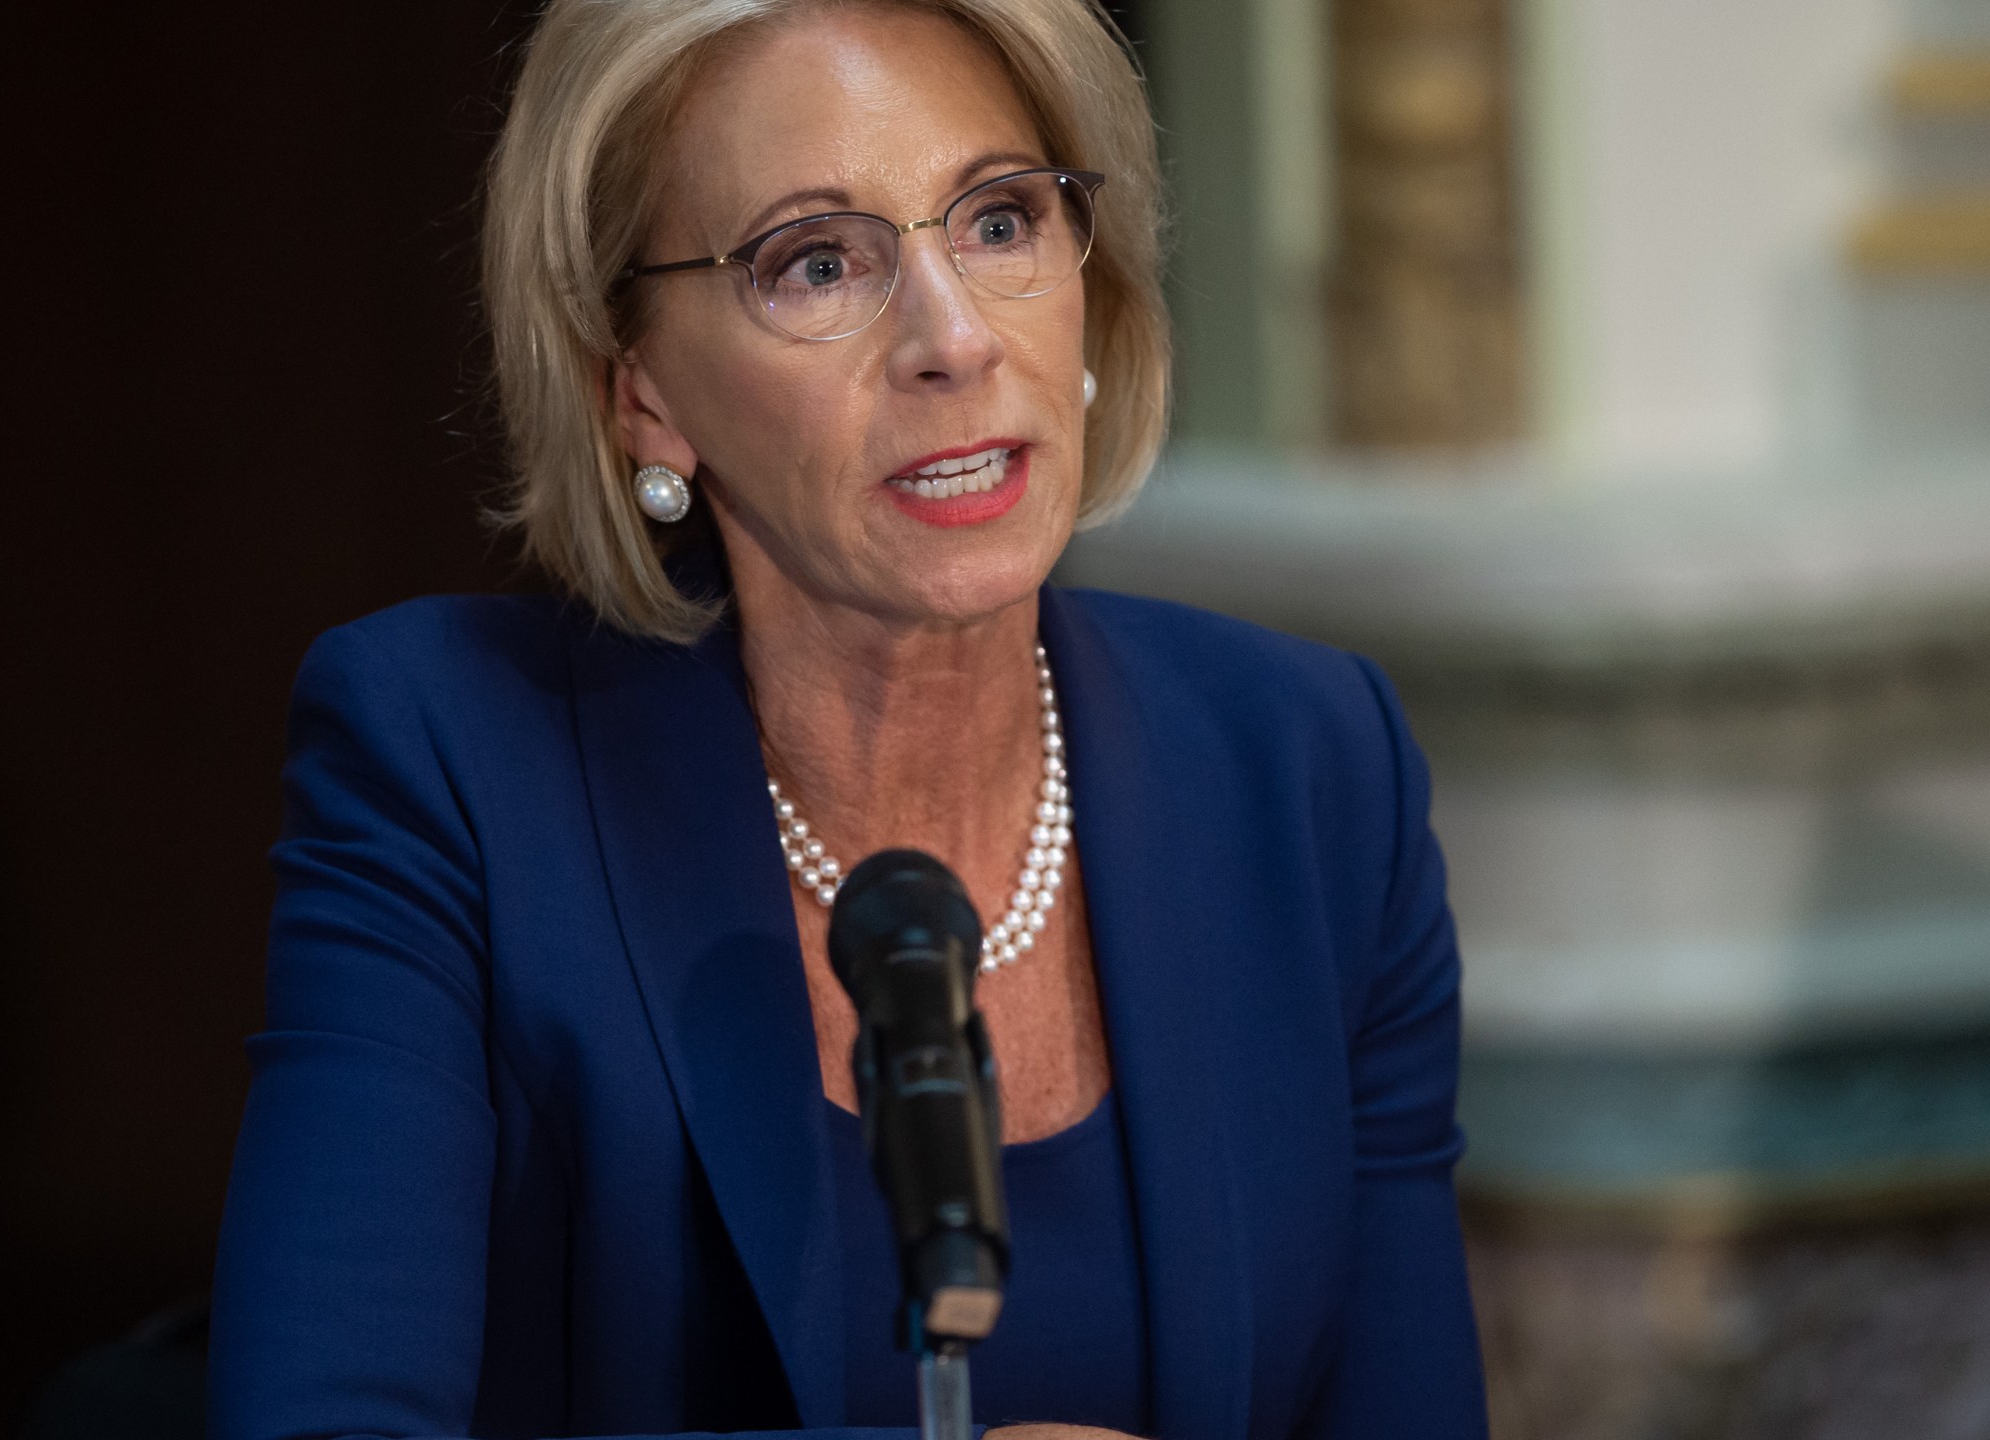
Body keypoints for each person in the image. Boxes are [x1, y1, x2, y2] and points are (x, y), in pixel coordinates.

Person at [208, 1, 1486, 1437]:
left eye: (1000, 221)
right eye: (818, 262)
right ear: (640, 394)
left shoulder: (1311, 769)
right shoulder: (451, 764)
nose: (952, 339)